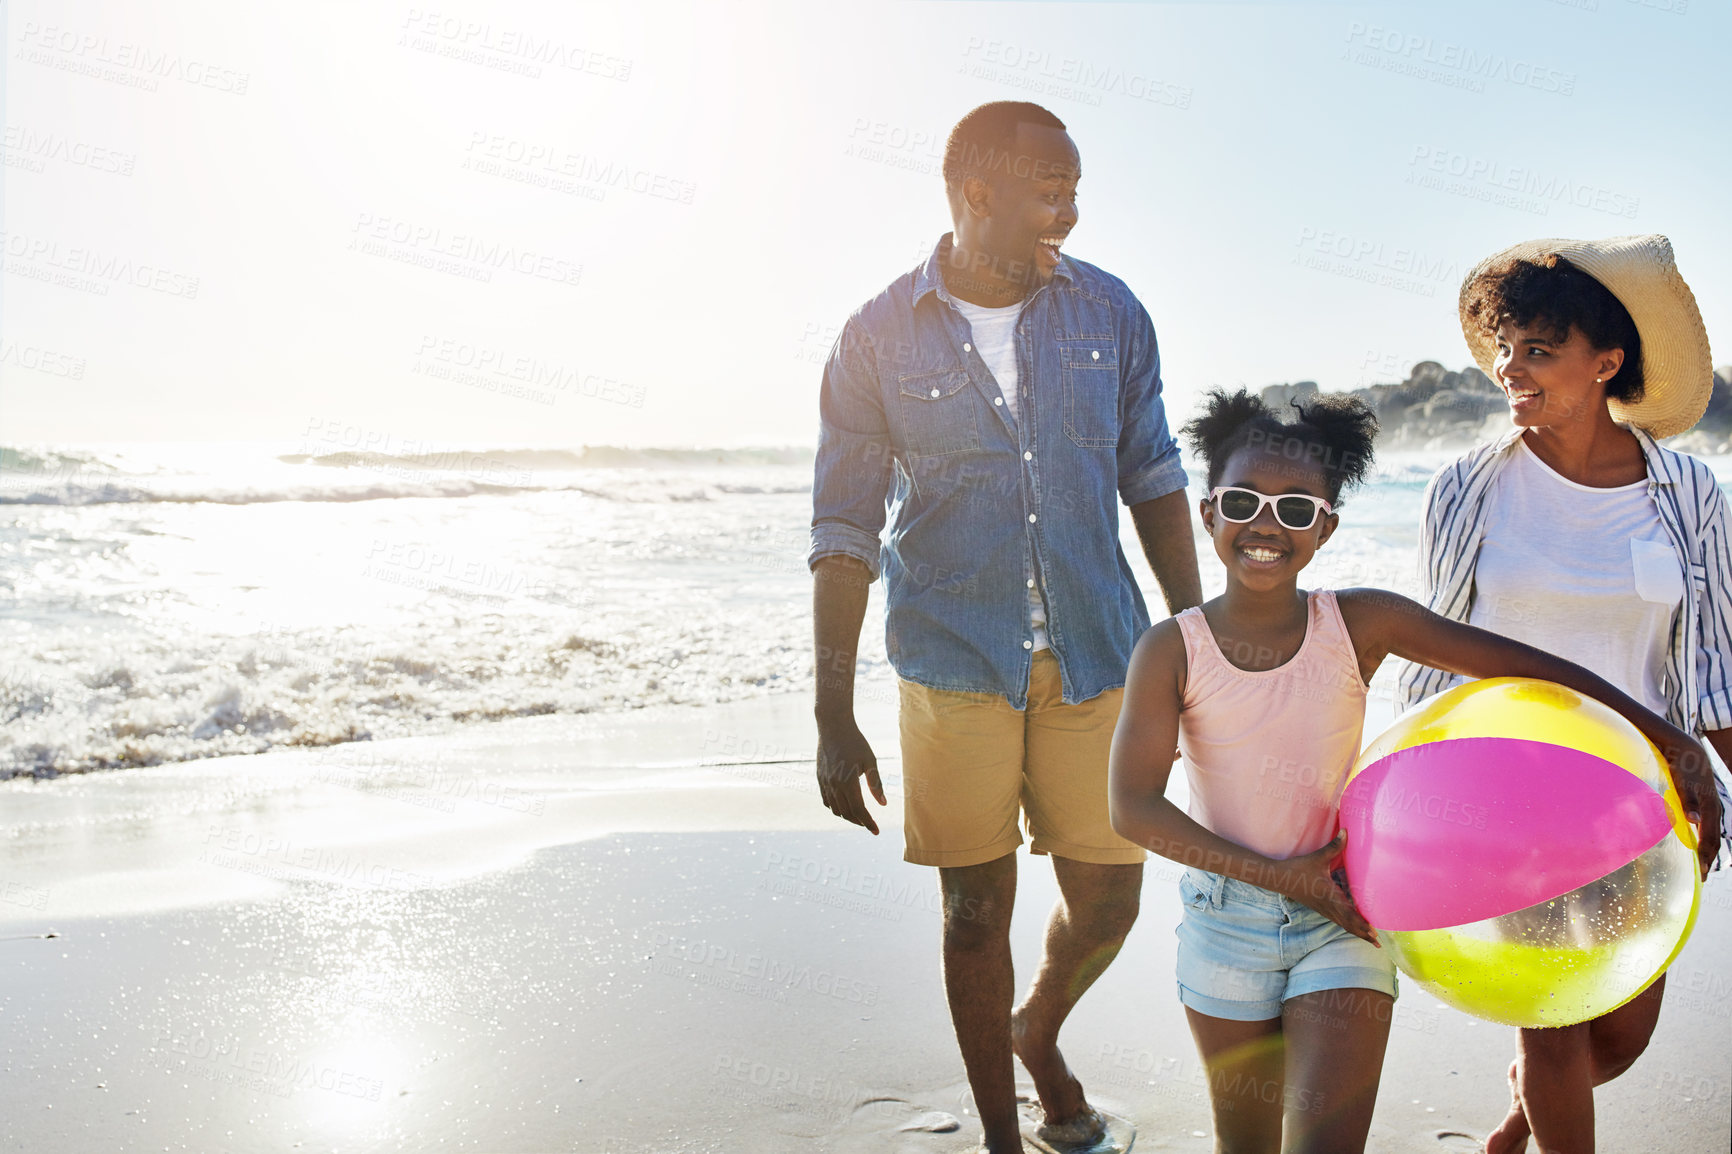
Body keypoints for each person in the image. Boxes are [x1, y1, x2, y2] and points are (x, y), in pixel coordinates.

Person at [1108, 388, 1717, 1154]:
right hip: (1225, 922)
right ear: (1208, 513)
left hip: (1346, 920)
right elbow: (1132, 807)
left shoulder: (1361, 622)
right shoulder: (1170, 648)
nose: (1267, 525)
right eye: (1244, 502)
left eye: (1297, 510)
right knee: (1247, 1143)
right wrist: (1280, 876)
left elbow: (1526, 668)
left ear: (1325, 528)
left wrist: (1670, 740)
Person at [807, 101, 1203, 1153]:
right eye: (1047, 188)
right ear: (975, 192)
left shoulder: (1110, 312)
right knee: (973, 911)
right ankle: (997, 1134)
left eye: (1074, 188)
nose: (1067, 211)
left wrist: (1196, 636)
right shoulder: (875, 333)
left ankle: (1040, 1025)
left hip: (1099, 650)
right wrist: (830, 711)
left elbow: (1153, 477)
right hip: (952, 660)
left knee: (1112, 898)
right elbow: (842, 528)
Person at [1396, 234, 1729, 1154]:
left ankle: (1516, 1126)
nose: (1511, 368)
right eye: (1506, 348)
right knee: (1552, 1012)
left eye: (1538, 349)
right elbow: (1433, 648)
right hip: (1507, 789)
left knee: (1618, 1033)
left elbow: (1708, 659)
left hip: (1646, 795)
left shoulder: (1688, 492)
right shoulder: (1467, 488)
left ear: (1607, 361)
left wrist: (1717, 789)